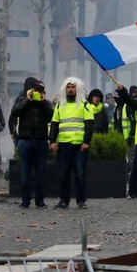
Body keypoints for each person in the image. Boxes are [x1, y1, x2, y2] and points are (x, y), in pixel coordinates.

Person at [49, 77, 94, 209]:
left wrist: (87, 141)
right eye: (68, 87)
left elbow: (89, 125)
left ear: (77, 89)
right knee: (63, 174)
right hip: (63, 144)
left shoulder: (84, 105)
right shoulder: (59, 105)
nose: (70, 89)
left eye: (73, 87)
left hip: (79, 145)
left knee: (80, 174)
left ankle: (81, 200)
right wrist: (52, 141)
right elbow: (55, 124)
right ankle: (64, 200)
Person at [11, 80, 54, 208]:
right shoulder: (23, 101)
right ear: (31, 90)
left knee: (40, 172)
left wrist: (43, 102)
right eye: (36, 90)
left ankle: (40, 200)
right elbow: (15, 112)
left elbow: (51, 116)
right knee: (25, 172)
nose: (37, 93)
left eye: (40, 91)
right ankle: (25, 200)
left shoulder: (45, 104)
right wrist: (27, 100)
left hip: (41, 141)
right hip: (25, 141)